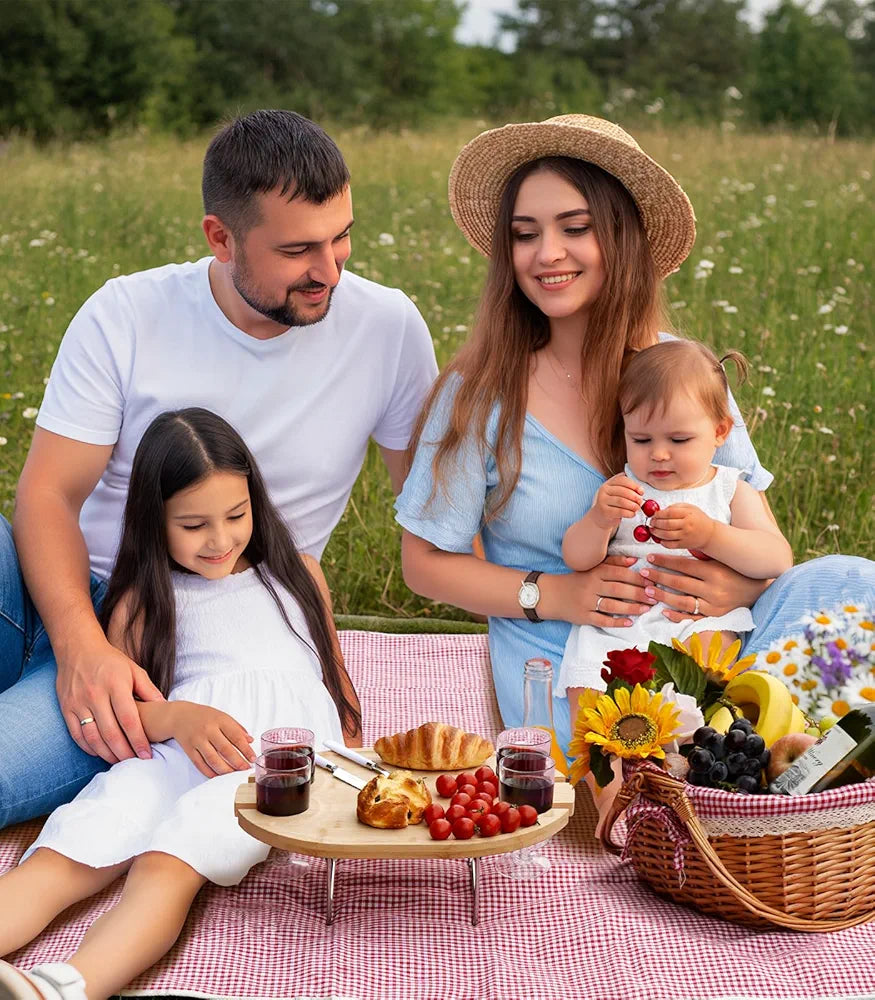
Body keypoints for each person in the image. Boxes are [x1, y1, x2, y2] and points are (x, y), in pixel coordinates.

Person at [0, 109, 437, 828]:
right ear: (220, 237)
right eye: (298, 249)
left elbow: (436, 515)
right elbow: (47, 493)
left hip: (168, 640)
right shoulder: (127, 312)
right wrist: (80, 646)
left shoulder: (386, 330)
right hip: (54, 590)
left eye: (341, 237)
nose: (329, 270)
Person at [395, 114, 874, 757]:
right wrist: (555, 593)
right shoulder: (480, 393)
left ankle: (780, 778)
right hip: (577, 663)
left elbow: (761, 540)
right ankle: (731, 779)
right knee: (652, 758)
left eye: (575, 228)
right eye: (525, 234)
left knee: (853, 585)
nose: (547, 254)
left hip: (717, 641)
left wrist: (741, 588)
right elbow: (423, 565)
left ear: (619, 236)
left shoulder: (682, 373)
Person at [0, 408, 361, 1000]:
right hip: (170, 755)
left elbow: (336, 681)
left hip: (268, 772)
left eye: (236, 516)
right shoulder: (146, 598)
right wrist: (177, 718)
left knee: (163, 868)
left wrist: (344, 758)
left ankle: (61, 987)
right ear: (155, 522)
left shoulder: (298, 574)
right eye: (193, 525)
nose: (220, 540)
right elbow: (124, 711)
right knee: (69, 854)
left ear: (255, 503)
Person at [558, 339, 794, 713]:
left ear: (720, 432)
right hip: (619, 624)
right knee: (588, 685)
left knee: (713, 667)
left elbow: (777, 559)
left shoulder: (730, 489)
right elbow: (576, 557)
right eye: (641, 439)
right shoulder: (621, 490)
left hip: (695, 622)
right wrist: (599, 520)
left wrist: (712, 536)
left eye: (679, 439)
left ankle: (696, 748)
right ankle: (602, 766)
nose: (659, 453)